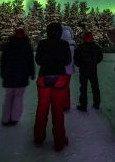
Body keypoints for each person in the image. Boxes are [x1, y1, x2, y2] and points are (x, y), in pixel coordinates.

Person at [33, 22, 71, 151]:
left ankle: (38, 139)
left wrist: (47, 62)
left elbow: (38, 60)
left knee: (42, 109)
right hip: (60, 78)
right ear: (60, 32)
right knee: (58, 111)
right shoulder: (64, 44)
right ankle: (59, 142)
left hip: (44, 77)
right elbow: (68, 61)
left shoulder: (42, 43)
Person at [0, 28, 35, 126]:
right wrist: (32, 73)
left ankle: (5, 119)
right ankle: (14, 118)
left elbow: (3, 61)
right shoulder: (27, 46)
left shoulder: (8, 45)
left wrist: (2, 73)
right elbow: (30, 62)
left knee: (8, 97)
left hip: (9, 76)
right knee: (18, 97)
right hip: (22, 76)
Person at [74, 32, 103, 111]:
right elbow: (100, 57)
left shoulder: (80, 48)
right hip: (93, 70)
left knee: (84, 88)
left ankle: (83, 105)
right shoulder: (96, 47)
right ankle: (96, 103)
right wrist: (95, 62)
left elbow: (76, 60)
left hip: (84, 70)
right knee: (95, 87)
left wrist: (80, 65)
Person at [61, 24, 76, 112]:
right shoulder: (73, 45)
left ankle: (64, 104)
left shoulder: (62, 44)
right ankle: (66, 104)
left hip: (62, 69)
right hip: (70, 68)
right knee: (67, 87)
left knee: (62, 87)